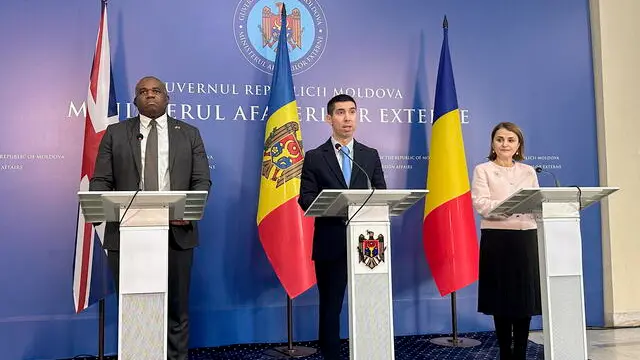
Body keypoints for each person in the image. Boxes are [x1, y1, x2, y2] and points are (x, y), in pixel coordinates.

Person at [90, 76, 211, 360]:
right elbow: (101, 181)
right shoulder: (116, 134)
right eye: (143, 92)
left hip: (176, 234)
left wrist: (186, 211)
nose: (150, 95)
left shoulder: (189, 133)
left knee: (177, 307)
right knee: (135, 305)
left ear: (167, 97)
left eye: (156, 91)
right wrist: (103, 209)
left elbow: (202, 180)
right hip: (128, 234)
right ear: (135, 101)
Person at [298, 94, 387, 360]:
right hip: (331, 241)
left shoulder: (369, 155)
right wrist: (338, 205)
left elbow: (381, 193)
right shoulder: (315, 157)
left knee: (370, 303)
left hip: (368, 243)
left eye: (352, 112)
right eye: (340, 112)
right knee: (331, 306)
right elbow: (305, 198)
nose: (347, 118)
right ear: (329, 118)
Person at [470, 122, 541, 360]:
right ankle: (504, 352)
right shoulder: (483, 170)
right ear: (493, 143)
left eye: (511, 140)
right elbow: (481, 204)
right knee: (501, 299)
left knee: (524, 300)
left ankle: (520, 352)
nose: (505, 144)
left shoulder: (529, 171)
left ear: (518, 144)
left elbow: (536, 203)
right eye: (500, 139)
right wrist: (510, 208)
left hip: (526, 237)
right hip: (497, 239)